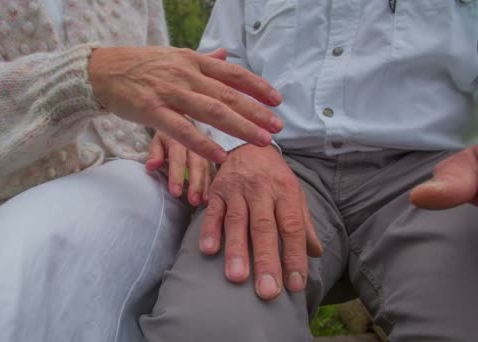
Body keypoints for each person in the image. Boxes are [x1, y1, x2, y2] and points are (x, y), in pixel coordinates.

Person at [0, 0, 287, 341]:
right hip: (18, 206)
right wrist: (86, 77)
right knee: (24, 265)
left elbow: (159, 78)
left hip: (156, 184)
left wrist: (175, 125)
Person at [141, 1, 478, 341]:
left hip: (430, 175)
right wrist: (240, 145)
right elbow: (218, 63)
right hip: (269, 164)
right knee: (211, 328)